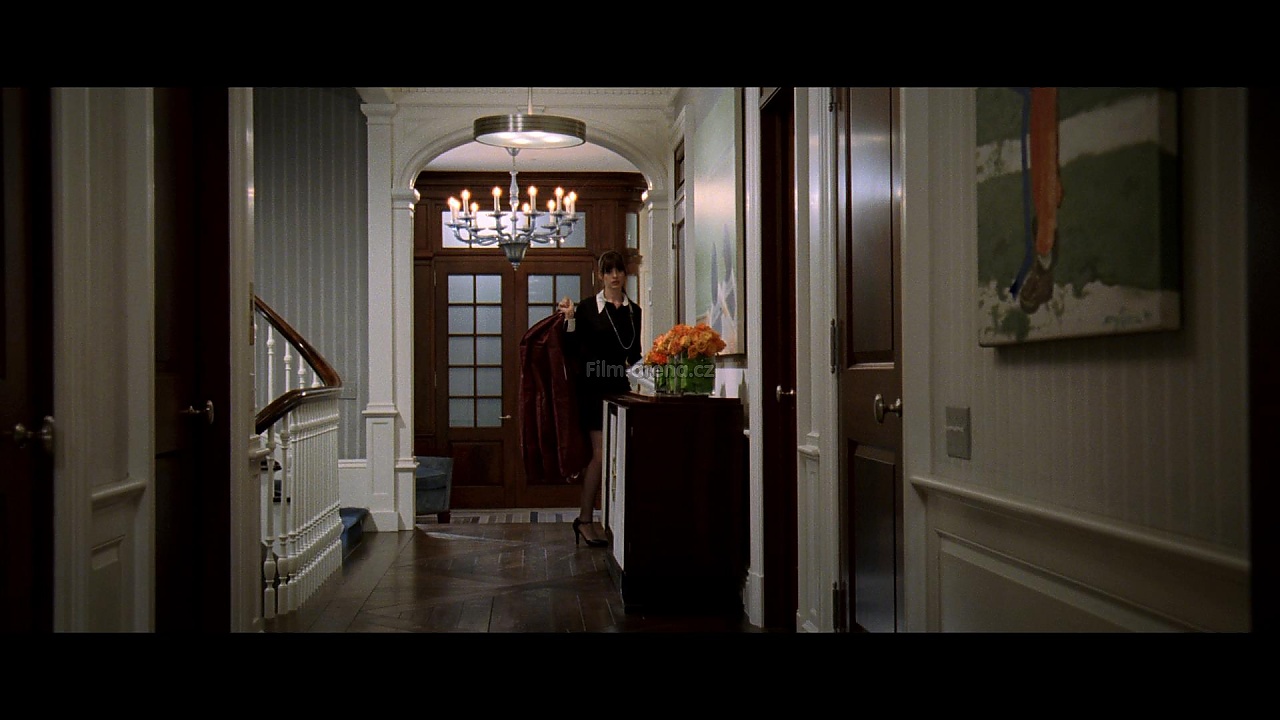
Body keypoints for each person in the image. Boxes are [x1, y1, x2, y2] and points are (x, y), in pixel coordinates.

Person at [557, 250, 642, 547]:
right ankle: (585, 519)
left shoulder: (634, 311)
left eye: (619, 270)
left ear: (625, 274)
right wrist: (570, 319)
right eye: (608, 271)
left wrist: (653, 371)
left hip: (620, 388)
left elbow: (634, 354)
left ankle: (613, 521)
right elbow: (570, 349)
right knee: (601, 455)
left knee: (619, 455)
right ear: (600, 275)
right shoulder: (586, 308)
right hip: (593, 388)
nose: (614, 276)